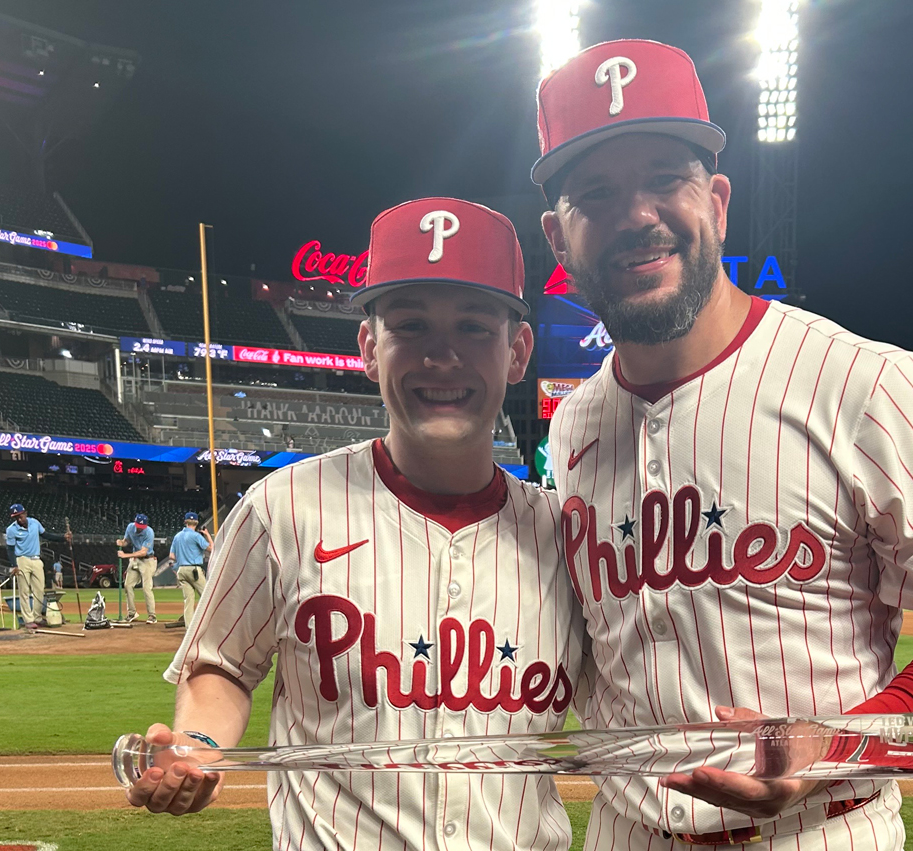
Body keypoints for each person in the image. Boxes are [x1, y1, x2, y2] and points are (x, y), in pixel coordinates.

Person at [534, 40, 913, 849]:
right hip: (623, 831)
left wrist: (842, 742)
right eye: (597, 193)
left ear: (717, 202)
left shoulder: (866, 383)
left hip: (817, 829)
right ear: (560, 240)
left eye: (665, 178)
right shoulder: (574, 424)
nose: (636, 215)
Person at [126, 198, 588, 850]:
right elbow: (221, 665)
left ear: (518, 352)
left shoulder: (565, 536)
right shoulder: (281, 508)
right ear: (370, 348)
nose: (442, 354)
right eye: (411, 325)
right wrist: (199, 742)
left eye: (474, 327)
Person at [5, 504, 69, 627]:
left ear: (25, 513)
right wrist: (14, 565)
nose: (19, 519)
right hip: (22, 560)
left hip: (36, 559)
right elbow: (10, 549)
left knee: (39, 590)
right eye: (16, 517)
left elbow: (46, 535)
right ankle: (28, 620)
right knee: (24, 591)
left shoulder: (34, 522)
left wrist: (63, 538)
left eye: (20, 516)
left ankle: (37, 617)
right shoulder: (11, 530)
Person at [169, 512, 212, 627]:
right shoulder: (196, 536)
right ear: (196, 523)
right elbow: (212, 548)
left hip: (181, 570)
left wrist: (183, 558)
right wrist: (207, 535)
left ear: (185, 522)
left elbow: (171, 556)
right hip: (194, 570)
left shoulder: (177, 536)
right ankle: (210, 626)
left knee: (188, 601)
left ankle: (189, 629)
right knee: (208, 597)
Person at [117, 513, 158, 624]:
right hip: (135, 560)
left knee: (146, 588)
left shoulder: (149, 532)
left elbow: (143, 552)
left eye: (142, 527)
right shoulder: (130, 527)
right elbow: (126, 541)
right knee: (127, 585)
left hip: (147, 560)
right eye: (139, 526)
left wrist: (125, 555)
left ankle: (152, 615)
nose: (140, 528)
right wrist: (121, 543)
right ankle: (132, 613)